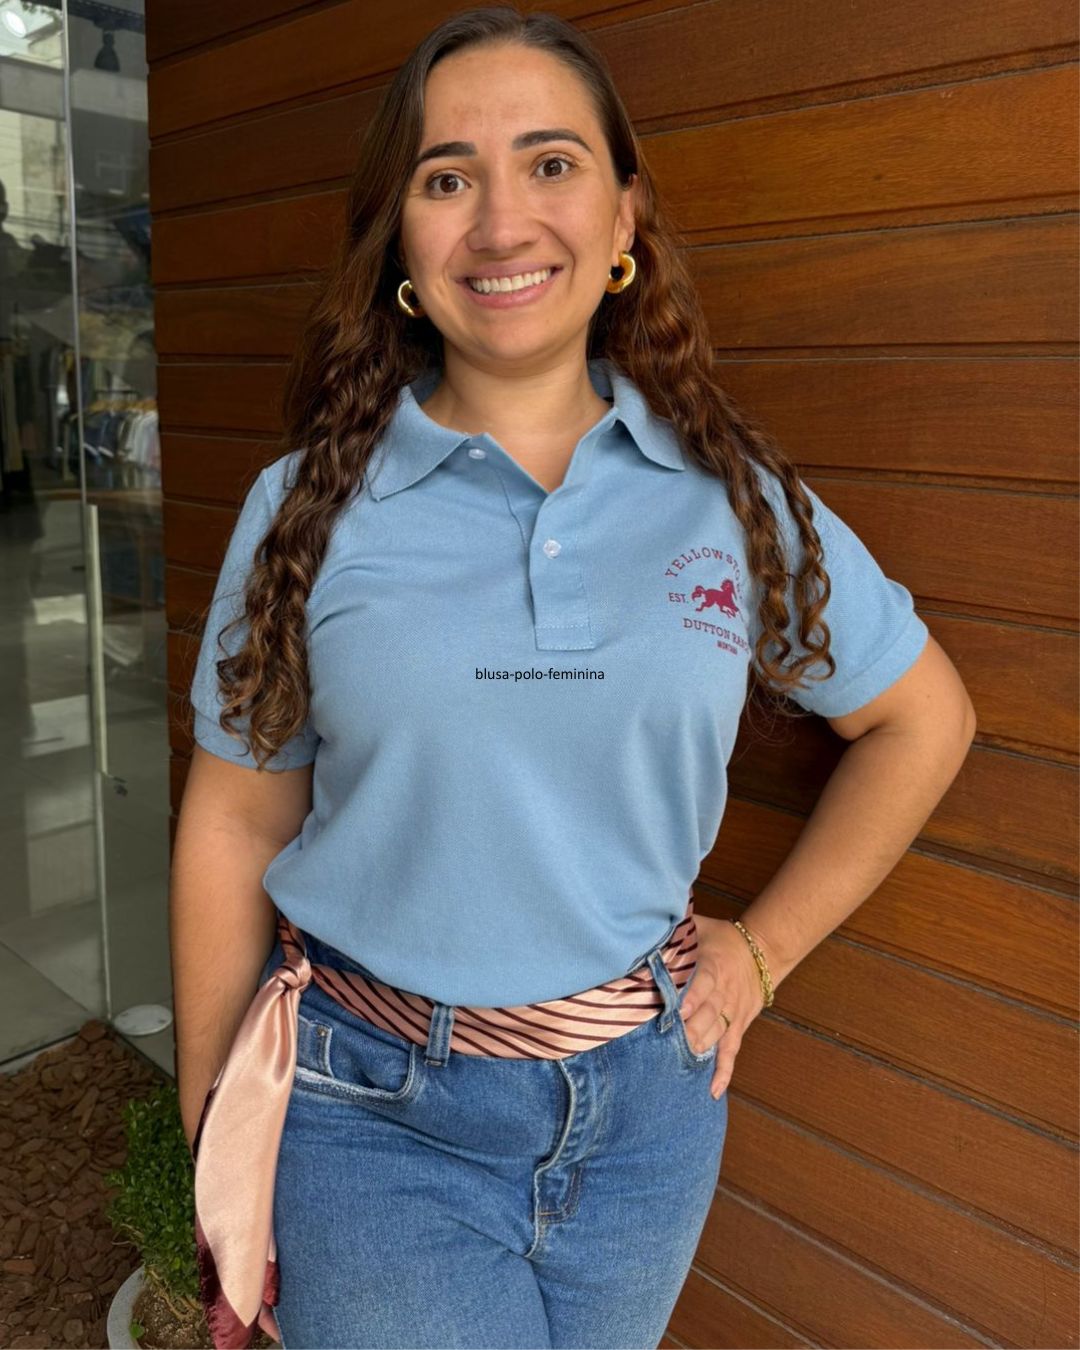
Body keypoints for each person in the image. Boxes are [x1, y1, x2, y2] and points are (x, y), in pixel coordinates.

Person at [169, 7, 977, 1349]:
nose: (501, 220)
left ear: (624, 224)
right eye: (447, 177)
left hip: (648, 1115)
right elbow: (238, 812)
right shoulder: (308, 501)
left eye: (550, 165)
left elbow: (922, 717)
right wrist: (213, 1115)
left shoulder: (730, 493)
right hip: (373, 1115)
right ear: (402, 257)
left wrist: (763, 953)